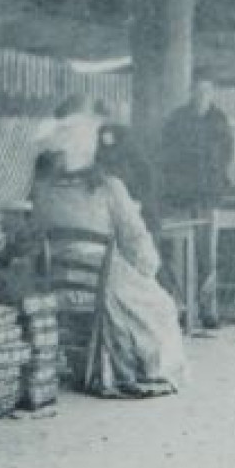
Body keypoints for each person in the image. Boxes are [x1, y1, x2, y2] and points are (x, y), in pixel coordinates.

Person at [31, 149, 186, 397]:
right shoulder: (110, 188)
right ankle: (147, 370)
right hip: (101, 287)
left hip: (58, 288)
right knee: (162, 305)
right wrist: (149, 269)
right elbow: (138, 243)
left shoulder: (44, 190)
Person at [158, 80, 235, 328]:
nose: (202, 95)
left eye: (207, 91)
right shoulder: (177, 120)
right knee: (179, 255)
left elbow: (226, 156)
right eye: (198, 90)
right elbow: (166, 155)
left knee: (206, 256)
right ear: (190, 92)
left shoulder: (219, 121)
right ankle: (181, 308)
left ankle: (207, 310)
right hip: (180, 197)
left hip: (208, 197)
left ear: (212, 94)